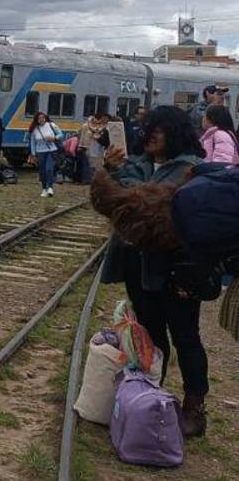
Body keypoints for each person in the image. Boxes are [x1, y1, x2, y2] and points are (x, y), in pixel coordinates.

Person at [99, 106, 209, 437]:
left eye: (157, 131)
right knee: (149, 334)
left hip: (177, 269)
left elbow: (149, 203)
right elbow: (120, 199)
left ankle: (194, 406)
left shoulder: (193, 170)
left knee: (186, 336)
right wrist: (110, 170)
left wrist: (128, 187)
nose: (149, 137)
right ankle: (148, 394)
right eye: (147, 130)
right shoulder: (137, 164)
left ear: (174, 134)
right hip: (137, 264)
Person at [27, 112, 62, 197]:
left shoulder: (51, 125)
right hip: (40, 152)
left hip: (51, 150)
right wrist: (33, 154)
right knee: (42, 171)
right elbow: (32, 142)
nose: (41, 119)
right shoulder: (34, 129)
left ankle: (50, 187)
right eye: (39, 118)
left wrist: (54, 138)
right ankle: (44, 188)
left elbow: (61, 134)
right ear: (36, 120)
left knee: (49, 169)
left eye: (43, 117)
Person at [78, 111, 112, 184]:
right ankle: (87, 179)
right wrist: (80, 145)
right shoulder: (86, 126)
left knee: (97, 164)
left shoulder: (105, 127)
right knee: (87, 164)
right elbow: (81, 135)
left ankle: (94, 179)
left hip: (99, 149)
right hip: (87, 147)